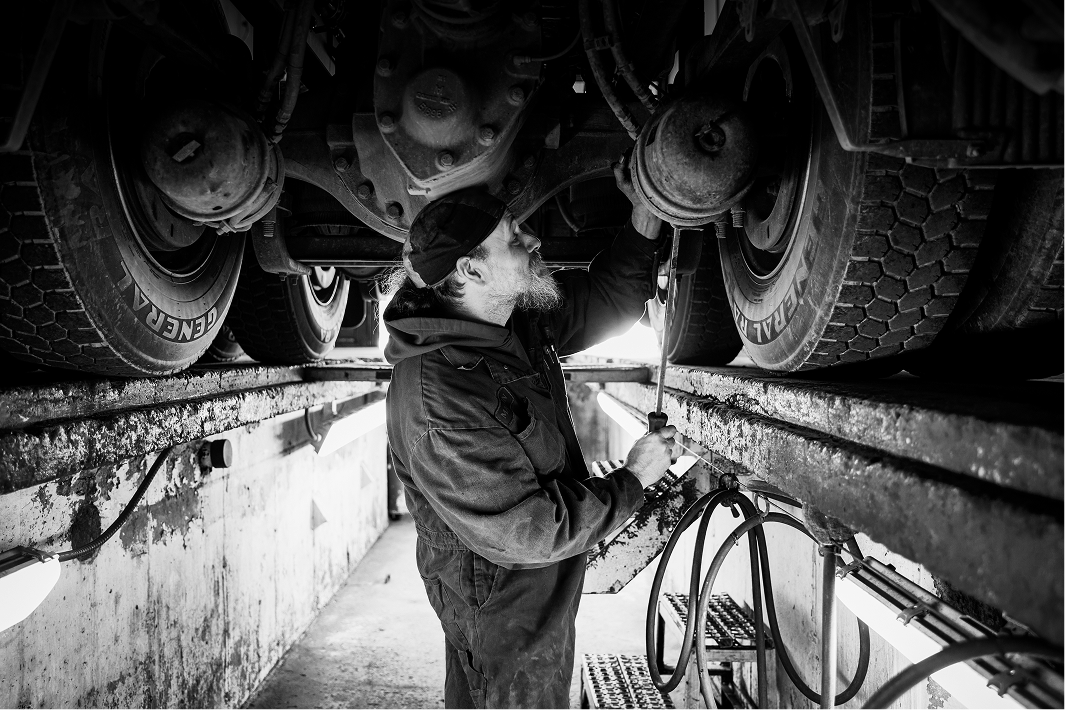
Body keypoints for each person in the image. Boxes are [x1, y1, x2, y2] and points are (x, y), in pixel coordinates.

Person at [383, 157, 678, 710]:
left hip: (531, 574)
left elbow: (607, 300)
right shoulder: (438, 399)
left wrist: (646, 217)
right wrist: (634, 480)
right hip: (500, 595)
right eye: (513, 236)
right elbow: (532, 533)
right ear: (470, 269)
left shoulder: (506, 324)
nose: (532, 238)